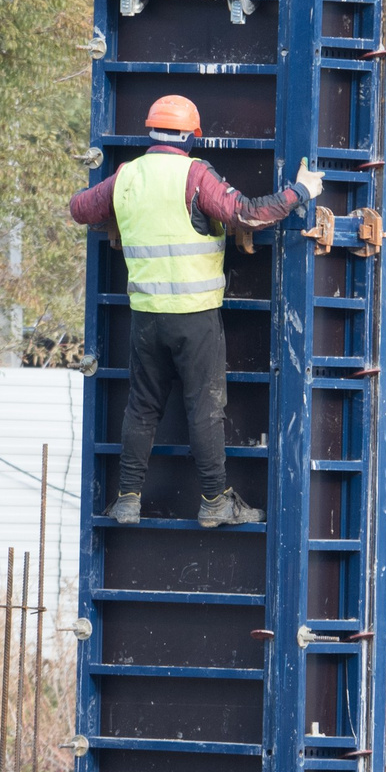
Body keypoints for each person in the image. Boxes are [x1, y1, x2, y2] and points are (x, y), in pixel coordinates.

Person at [66, 93, 322, 527]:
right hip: (195, 317)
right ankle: (214, 502)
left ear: (151, 131)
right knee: (204, 408)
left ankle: (127, 500)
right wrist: (301, 191)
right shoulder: (195, 175)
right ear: (190, 136)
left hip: (145, 316)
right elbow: (247, 214)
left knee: (142, 407)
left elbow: (80, 208)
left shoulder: (127, 176)